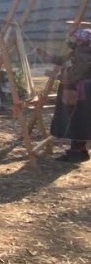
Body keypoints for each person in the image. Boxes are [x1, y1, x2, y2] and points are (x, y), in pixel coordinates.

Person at [41, 28, 91, 163]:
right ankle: (80, 151)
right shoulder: (79, 51)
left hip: (81, 92)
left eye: (74, 38)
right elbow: (63, 60)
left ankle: (77, 153)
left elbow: (75, 75)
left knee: (77, 120)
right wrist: (48, 57)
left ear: (81, 41)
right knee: (79, 120)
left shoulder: (84, 54)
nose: (70, 40)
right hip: (80, 90)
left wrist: (55, 76)